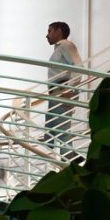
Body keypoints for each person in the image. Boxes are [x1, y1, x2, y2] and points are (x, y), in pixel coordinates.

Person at [42, 21, 83, 156]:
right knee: (51, 127)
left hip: (63, 90)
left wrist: (70, 89)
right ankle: (57, 156)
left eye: (50, 31)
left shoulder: (66, 45)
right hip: (57, 91)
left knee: (61, 129)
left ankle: (71, 160)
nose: (47, 35)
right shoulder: (59, 48)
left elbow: (78, 66)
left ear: (59, 31)